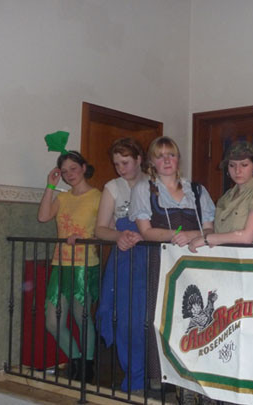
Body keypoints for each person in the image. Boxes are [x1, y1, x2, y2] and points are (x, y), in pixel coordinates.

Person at [129, 136, 215, 394]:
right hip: (162, 260)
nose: (166, 160)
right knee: (160, 316)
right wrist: (176, 235)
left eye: (171, 154)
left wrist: (189, 236)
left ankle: (194, 375)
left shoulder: (197, 190)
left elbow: (209, 229)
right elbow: (146, 231)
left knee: (194, 318)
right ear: (152, 162)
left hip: (194, 261)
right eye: (160, 155)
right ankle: (161, 377)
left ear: (178, 159)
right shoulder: (144, 189)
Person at [37, 150, 101, 382]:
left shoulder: (98, 196)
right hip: (60, 263)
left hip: (85, 264)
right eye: (64, 171)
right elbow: (43, 216)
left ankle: (87, 366)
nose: (69, 174)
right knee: (52, 322)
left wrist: (86, 239)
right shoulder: (63, 198)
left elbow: (106, 230)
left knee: (81, 316)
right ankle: (76, 359)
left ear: (84, 168)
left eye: (73, 168)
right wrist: (50, 185)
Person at [95, 138, 147, 392]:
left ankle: (152, 374)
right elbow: (100, 229)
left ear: (139, 159)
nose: (120, 168)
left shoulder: (155, 183)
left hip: (151, 258)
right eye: (116, 164)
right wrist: (118, 236)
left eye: (125, 162)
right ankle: (134, 377)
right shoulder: (112, 187)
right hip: (125, 258)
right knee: (125, 320)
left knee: (147, 319)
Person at [188, 140, 253, 252]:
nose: (237, 171)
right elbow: (216, 231)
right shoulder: (226, 197)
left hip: (250, 259)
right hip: (224, 257)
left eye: (244, 165)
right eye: (232, 165)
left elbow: (248, 236)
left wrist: (207, 239)